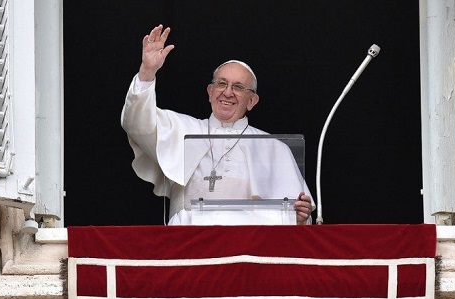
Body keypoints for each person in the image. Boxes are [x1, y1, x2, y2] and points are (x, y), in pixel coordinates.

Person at [121, 24, 315, 225]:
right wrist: (147, 72)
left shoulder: (275, 148)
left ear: (252, 101)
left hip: (247, 245)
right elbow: (137, 123)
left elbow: (297, 219)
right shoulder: (181, 128)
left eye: (238, 87)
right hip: (187, 241)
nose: (228, 92)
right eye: (221, 84)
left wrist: (300, 217)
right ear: (210, 92)